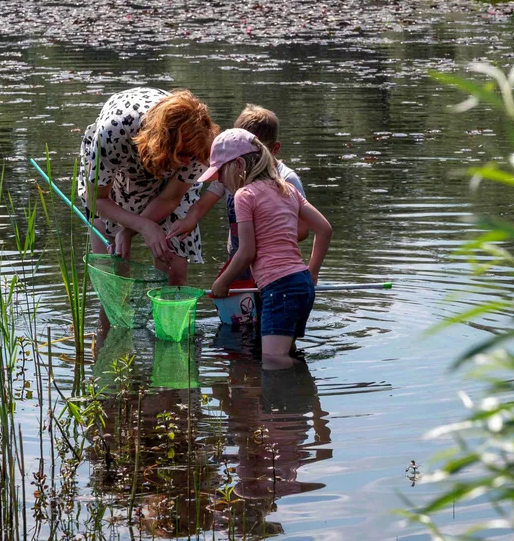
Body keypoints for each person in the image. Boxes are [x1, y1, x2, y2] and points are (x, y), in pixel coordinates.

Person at [203, 129, 332, 359]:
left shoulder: (244, 195)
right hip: (301, 283)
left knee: (273, 360)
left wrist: (222, 282)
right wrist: (312, 274)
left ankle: (295, 391)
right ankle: (303, 394)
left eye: (221, 172)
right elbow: (324, 230)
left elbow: (246, 252)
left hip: (279, 288)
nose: (220, 180)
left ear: (239, 165)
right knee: (287, 354)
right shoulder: (287, 188)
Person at [79, 87, 220, 285]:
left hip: (167, 179)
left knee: (174, 275)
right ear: (163, 144)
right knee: (114, 277)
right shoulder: (112, 133)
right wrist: (143, 225)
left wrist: (130, 230)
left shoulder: (200, 145)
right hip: (120, 171)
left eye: (193, 157)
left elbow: (171, 198)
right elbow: (96, 200)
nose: (190, 163)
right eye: (183, 156)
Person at [166, 104, 308, 266]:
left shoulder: (286, 179)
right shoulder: (231, 175)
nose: (249, 165)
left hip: (274, 262)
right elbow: (201, 206)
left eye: (258, 155)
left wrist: (267, 234)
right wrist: (188, 221)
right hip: (238, 258)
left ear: (275, 149)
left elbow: (303, 228)